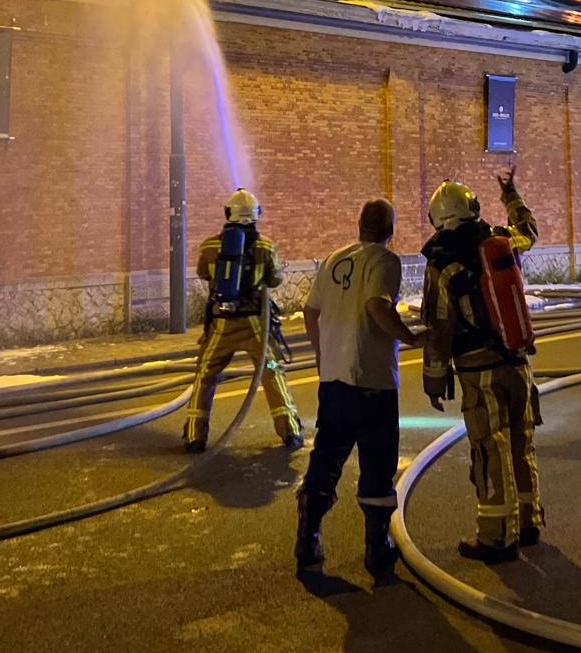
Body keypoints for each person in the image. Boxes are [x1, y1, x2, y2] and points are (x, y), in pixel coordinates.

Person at [294, 198, 426, 579]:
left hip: (333, 381)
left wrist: (321, 353)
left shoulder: (334, 259)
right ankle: (376, 547)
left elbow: (310, 311)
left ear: (359, 225)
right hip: (372, 380)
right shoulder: (385, 261)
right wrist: (411, 338)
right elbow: (376, 306)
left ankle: (307, 538)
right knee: (378, 462)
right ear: (390, 230)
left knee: (326, 456)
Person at [421, 166, 542, 563]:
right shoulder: (502, 240)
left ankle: (496, 536)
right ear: (473, 208)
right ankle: (528, 522)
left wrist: (434, 381)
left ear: (437, 219)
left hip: (478, 372)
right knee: (521, 442)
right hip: (518, 363)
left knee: (491, 448)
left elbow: (440, 327)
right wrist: (511, 196)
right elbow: (530, 232)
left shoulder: (442, 264)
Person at [182, 188, 303, 452]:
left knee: (205, 375)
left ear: (228, 213)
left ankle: (194, 436)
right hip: (255, 326)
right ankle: (290, 432)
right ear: (256, 214)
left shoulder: (210, 246)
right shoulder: (265, 246)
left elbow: (203, 273)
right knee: (272, 372)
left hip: (221, 324)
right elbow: (274, 279)